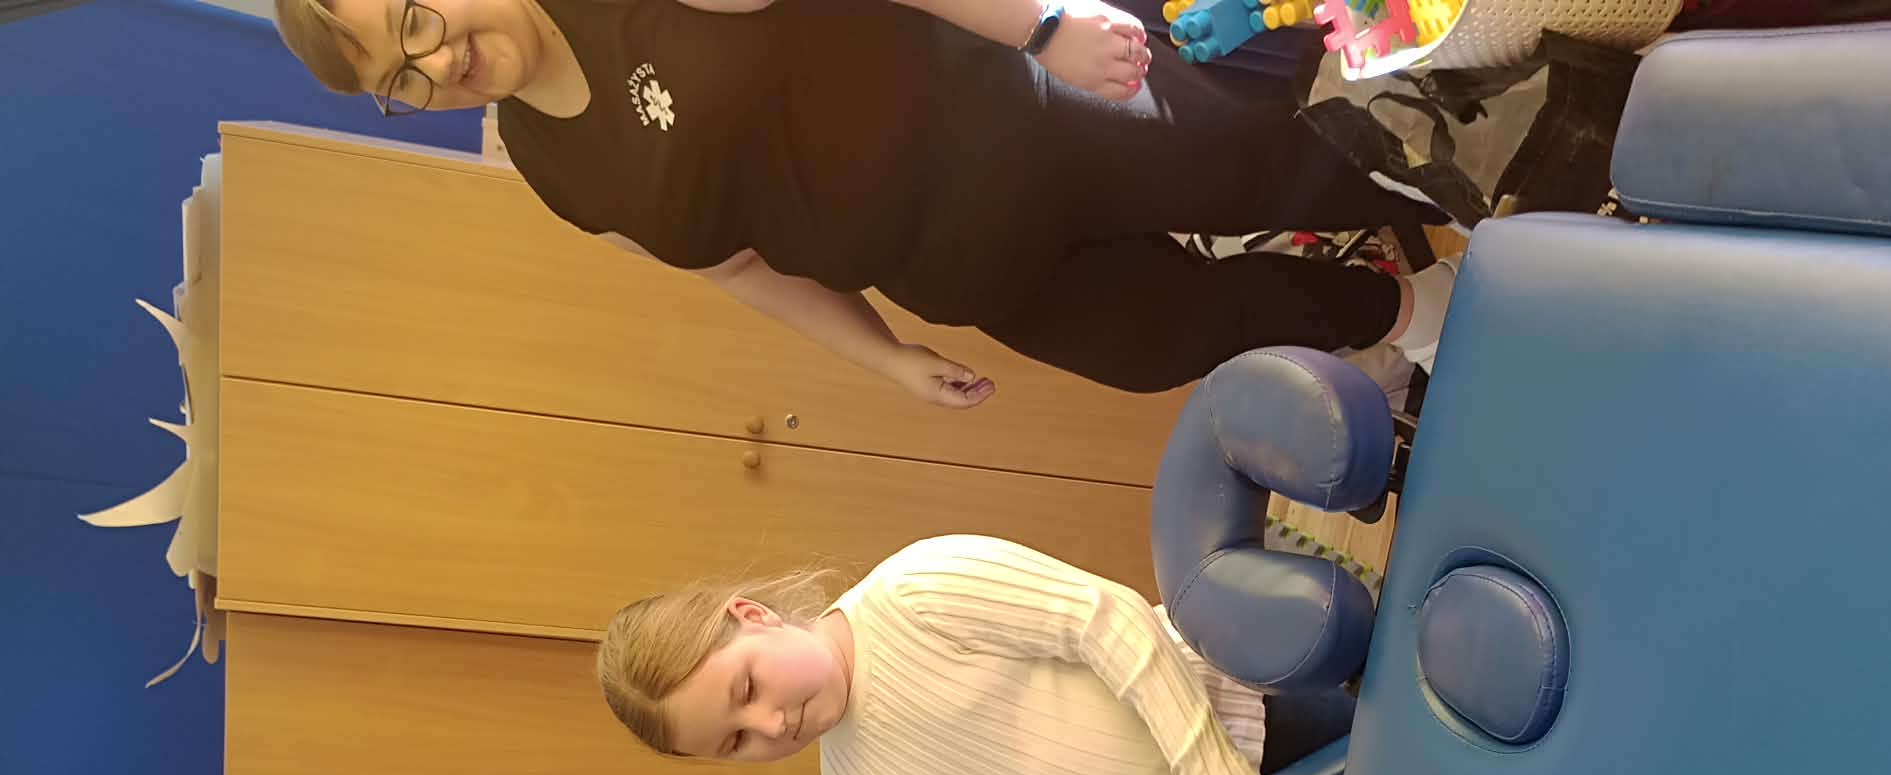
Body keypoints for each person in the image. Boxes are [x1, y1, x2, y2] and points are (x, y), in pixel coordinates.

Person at [270, 0, 1459, 400]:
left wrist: (1039, 26)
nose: (437, 61)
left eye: (415, 18)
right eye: (400, 80)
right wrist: (881, 355)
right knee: (1158, 346)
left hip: (1022, 120)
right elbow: (733, 265)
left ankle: (1490, 175)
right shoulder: (545, 163)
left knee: (1269, 163)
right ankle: (1405, 307)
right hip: (971, 271)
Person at [598, 534, 1363, 775]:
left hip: (1265, 724)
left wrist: (1207, 769)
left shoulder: (915, 588)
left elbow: (1107, 620)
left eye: (747, 688)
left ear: (753, 616)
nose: (771, 726)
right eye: (735, 742)